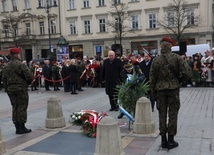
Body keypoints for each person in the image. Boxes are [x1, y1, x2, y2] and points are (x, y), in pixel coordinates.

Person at [150, 36, 192, 149]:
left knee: (162, 115)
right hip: (173, 90)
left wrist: (153, 94)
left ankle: (163, 140)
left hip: (160, 91)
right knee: (173, 114)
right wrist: (179, 80)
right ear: (171, 46)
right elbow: (188, 72)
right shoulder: (177, 58)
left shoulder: (156, 61)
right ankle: (171, 140)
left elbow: (152, 79)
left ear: (161, 46)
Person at [2, 47, 34, 134]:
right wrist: (28, 82)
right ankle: (22, 127)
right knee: (22, 107)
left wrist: (6, 88)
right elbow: (30, 76)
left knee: (15, 107)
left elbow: (3, 79)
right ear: (17, 54)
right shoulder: (20, 64)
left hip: (10, 89)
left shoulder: (6, 66)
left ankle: (17, 126)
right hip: (21, 88)